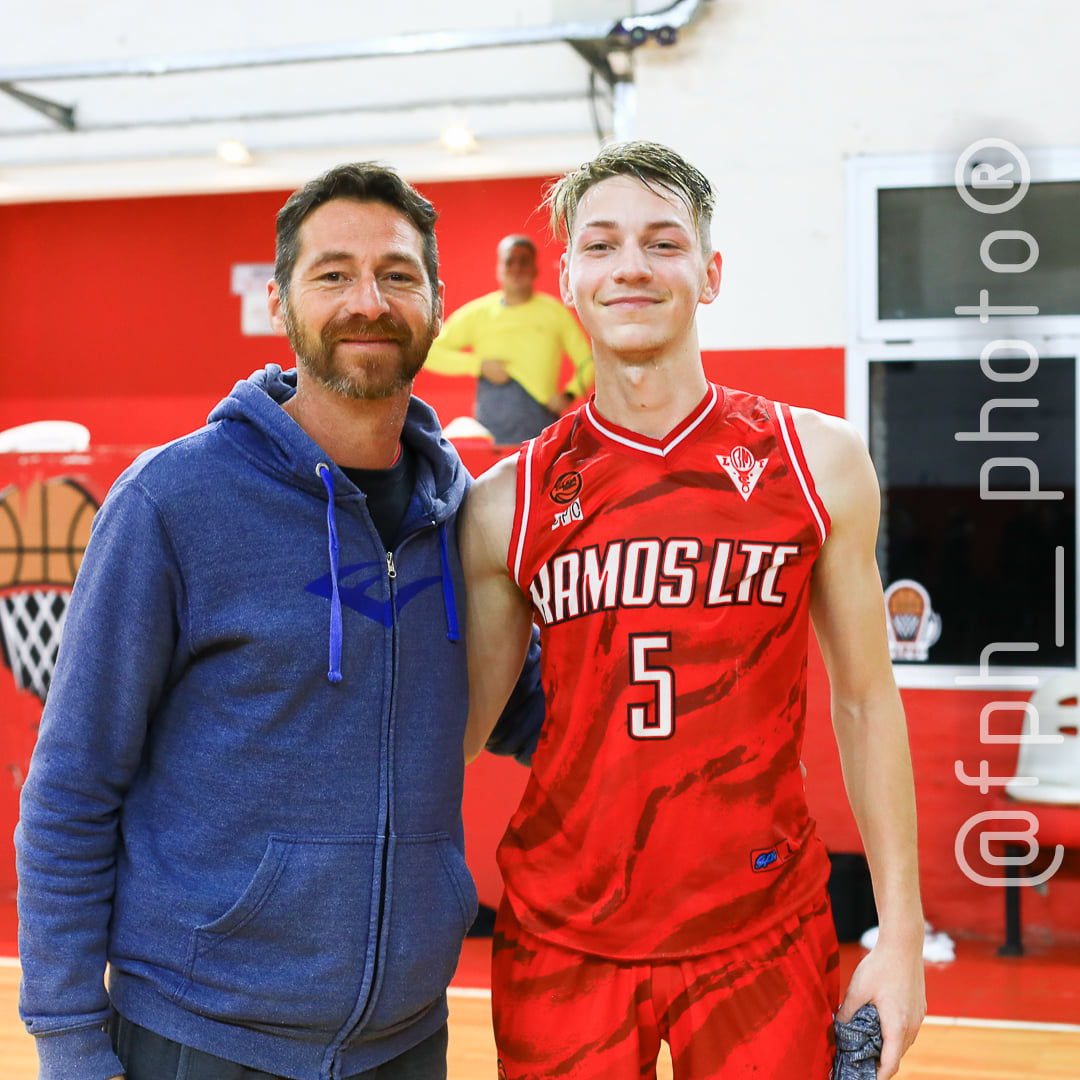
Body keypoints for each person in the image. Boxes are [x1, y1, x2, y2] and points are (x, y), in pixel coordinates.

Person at [15, 163, 542, 1080]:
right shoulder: (173, 502)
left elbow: (540, 714)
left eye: (398, 274)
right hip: (200, 1037)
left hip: (405, 1042)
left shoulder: (464, 517)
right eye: (333, 274)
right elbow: (71, 787)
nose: (368, 301)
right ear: (279, 302)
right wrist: (69, 1044)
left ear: (436, 304)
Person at [460, 141, 926, 1080]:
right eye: (602, 245)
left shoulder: (817, 461)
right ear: (569, 279)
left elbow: (866, 700)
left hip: (762, 925)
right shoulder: (508, 500)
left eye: (663, 243)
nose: (631, 265)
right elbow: (455, 735)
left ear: (710, 274)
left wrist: (903, 934)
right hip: (565, 933)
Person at [424, 233, 593, 443]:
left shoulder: (555, 313)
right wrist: (478, 365)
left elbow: (588, 362)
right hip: (490, 429)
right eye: (510, 261)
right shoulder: (479, 313)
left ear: (535, 269)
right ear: (499, 269)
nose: (517, 268)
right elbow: (429, 352)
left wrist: (569, 394)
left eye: (524, 261)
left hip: (541, 423)